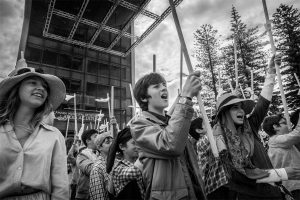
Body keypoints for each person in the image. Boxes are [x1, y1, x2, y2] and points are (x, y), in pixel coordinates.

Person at [201, 54, 285, 200]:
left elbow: (263, 103)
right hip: (247, 196)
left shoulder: (250, 126)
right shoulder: (217, 141)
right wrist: (279, 174)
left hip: (274, 192)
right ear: (225, 114)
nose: (241, 111)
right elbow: (230, 176)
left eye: (241, 107)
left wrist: (271, 72)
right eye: (234, 108)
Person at [130, 71, 206, 200]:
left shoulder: (171, 122)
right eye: (156, 86)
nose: (164, 88)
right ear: (143, 98)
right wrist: (186, 96)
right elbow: (171, 144)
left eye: (164, 85)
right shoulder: (139, 125)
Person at [0, 66, 69, 199]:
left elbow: (60, 187)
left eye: (45, 86)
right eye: (32, 83)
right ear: (16, 88)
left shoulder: (54, 135)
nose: (41, 88)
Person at [261, 113, 300, 199]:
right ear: (276, 127)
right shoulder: (276, 140)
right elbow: (297, 134)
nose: (288, 125)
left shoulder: (280, 143)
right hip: (295, 186)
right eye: (284, 123)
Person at [106, 127, 145, 200]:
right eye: (134, 143)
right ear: (122, 146)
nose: (138, 146)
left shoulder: (135, 163)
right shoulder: (118, 169)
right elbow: (136, 172)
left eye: (139, 143)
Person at [89, 132, 113, 200]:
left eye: (113, 141)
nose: (112, 144)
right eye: (108, 142)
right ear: (99, 147)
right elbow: (99, 196)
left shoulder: (117, 162)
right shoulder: (97, 168)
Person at [76, 129, 99, 200]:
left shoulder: (101, 153)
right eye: (95, 136)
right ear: (88, 141)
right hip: (86, 195)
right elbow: (90, 170)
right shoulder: (82, 155)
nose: (99, 138)